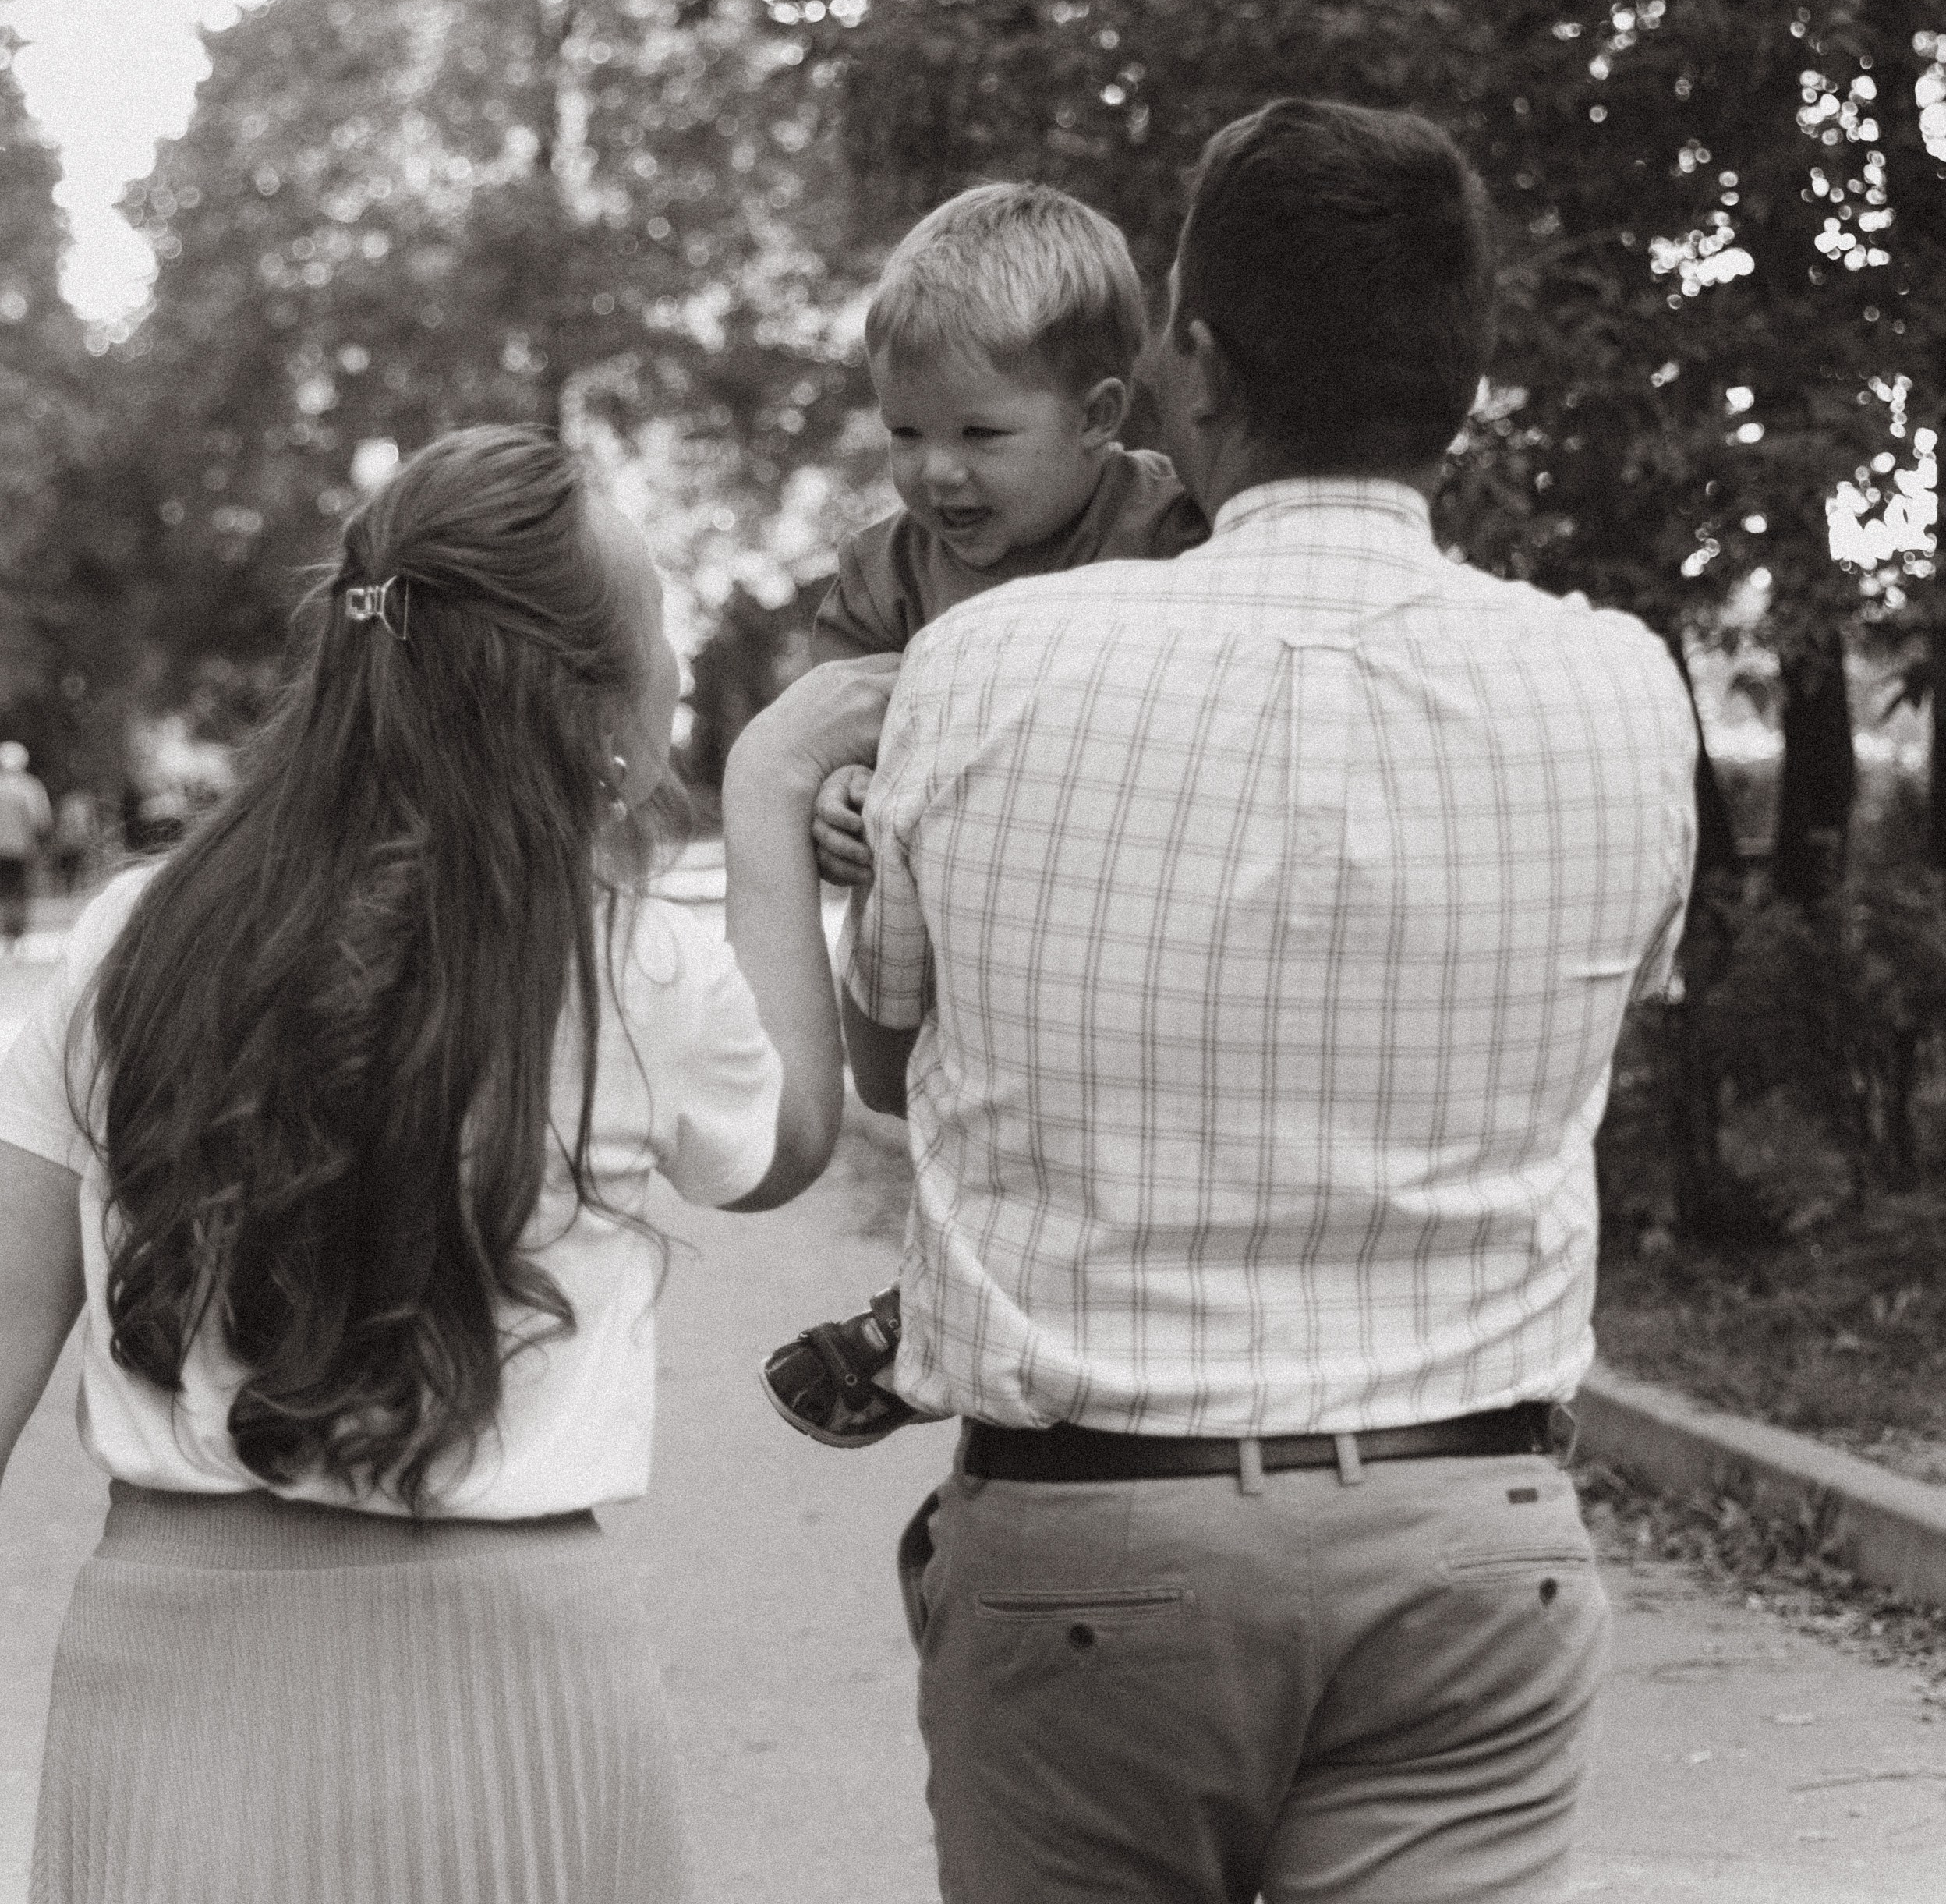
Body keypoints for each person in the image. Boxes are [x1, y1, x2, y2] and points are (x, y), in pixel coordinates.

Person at [841, 100, 1700, 1904]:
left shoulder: (978, 664)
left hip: (1092, 1546)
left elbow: (886, 1059)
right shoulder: (1621, 690)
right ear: (1456, 380)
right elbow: (1597, 1045)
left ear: (1188, 368)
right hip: (1477, 1542)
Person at [0, 424, 887, 1904]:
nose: (673, 666)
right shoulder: (627, 963)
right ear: (585, 703)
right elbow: (791, 1135)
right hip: (517, 1673)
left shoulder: (131, 935)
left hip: (168, 1670)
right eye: (657, 631)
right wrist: (775, 778)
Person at [759, 181, 1206, 1446]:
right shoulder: (885, 567)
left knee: (1115, 1111)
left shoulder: (1165, 526)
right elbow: (828, 724)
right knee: (944, 1109)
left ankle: (936, 1313)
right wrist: (838, 795)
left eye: (979, 432)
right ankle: (943, 1288)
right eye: (903, 431)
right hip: (947, 924)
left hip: (1129, 907)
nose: (934, 472)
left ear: (1100, 416)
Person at [0, 741, 52, 951]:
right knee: (20, 892)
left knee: (3, 891)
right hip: (22, 849)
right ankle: (18, 935)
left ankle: (6, 935)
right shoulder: (31, 787)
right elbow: (42, 820)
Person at [51, 788, 98, 899]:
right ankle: (75, 889)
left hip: (70, 841)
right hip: (76, 841)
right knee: (76, 866)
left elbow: (60, 826)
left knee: (71, 867)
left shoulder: (67, 806)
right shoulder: (81, 807)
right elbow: (88, 826)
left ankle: (71, 889)